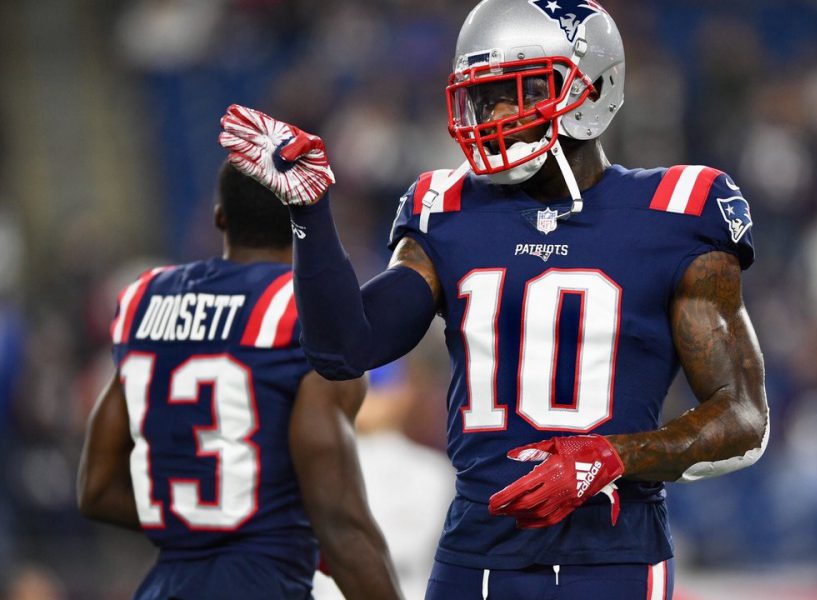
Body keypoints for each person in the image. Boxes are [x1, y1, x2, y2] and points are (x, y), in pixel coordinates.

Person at [219, 1, 769, 598]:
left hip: (613, 553)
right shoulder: (446, 209)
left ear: (591, 88)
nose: (498, 113)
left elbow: (743, 416)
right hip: (476, 550)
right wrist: (310, 213)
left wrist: (613, 456)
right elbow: (344, 347)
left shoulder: (678, 210)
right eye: (486, 98)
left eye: (520, 92)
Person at [77, 162, 402, 600]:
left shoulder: (145, 299)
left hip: (164, 587)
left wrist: (198, 516)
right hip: (263, 581)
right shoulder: (311, 314)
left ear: (219, 218)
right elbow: (340, 523)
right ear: (316, 220)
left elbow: (97, 488)